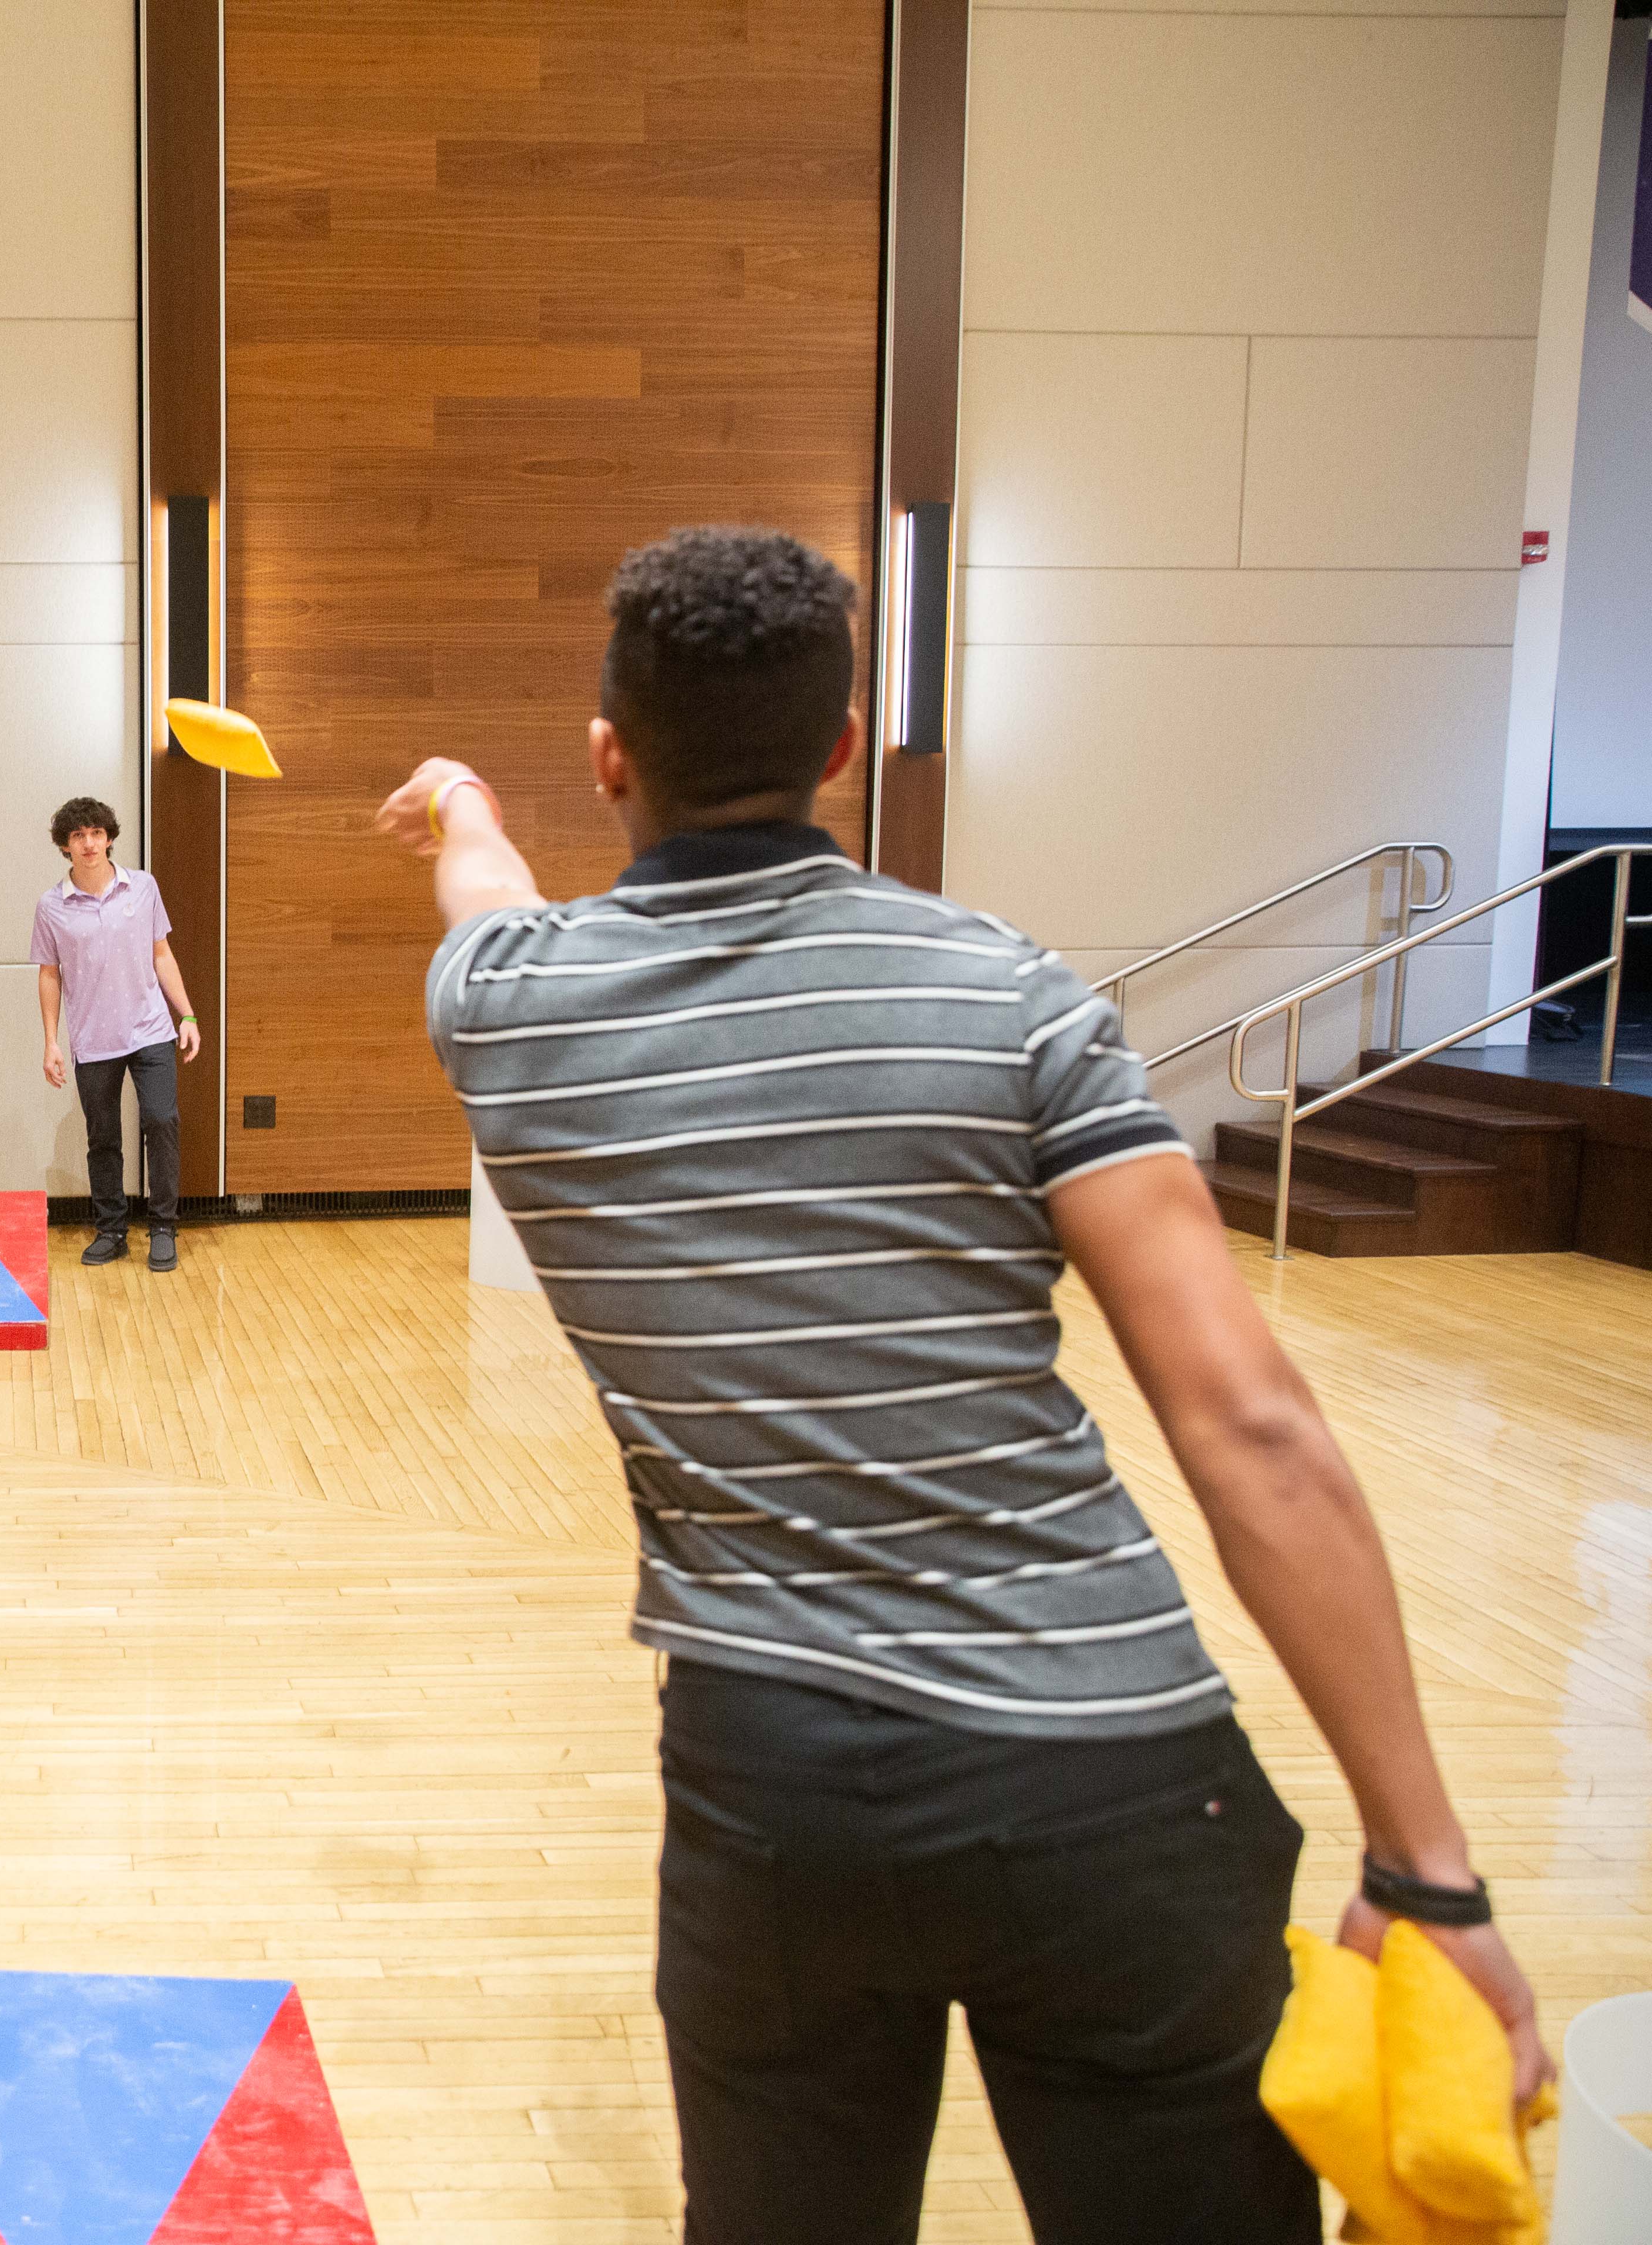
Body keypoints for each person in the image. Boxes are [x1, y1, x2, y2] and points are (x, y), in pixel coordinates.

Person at [376, 526, 1542, 2242]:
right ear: (844, 745)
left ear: (613, 753)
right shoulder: (1011, 995)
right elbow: (1254, 1427)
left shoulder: (508, 1005)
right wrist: (1426, 1866)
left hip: (770, 1791)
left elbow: (487, 890)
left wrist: (466, 805)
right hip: (1111, 1775)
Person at [32, 796, 200, 1271]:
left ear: (109, 838)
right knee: (103, 1137)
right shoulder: (52, 906)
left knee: (162, 1121)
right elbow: (50, 974)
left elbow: (161, 954)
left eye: (97, 834)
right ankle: (112, 1230)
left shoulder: (143, 888)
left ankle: (164, 1227)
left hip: (151, 1031)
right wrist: (50, 1042)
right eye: (78, 836)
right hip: (93, 1040)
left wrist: (187, 1016)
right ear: (66, 846)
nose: (89, 844)